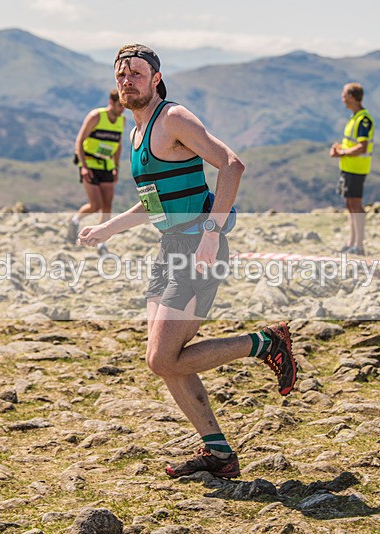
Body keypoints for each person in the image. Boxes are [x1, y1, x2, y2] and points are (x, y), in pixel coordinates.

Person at [77, 44, 297, 479]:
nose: (127, 81)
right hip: (169, 249)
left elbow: (232, 165)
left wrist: (213, 235)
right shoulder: (137, 132)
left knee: (161, 360)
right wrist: (107, 229)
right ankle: (219, 454)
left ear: (156, 78)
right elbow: (154, 204)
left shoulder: (173, 118)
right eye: (121, 74)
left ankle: (266, 343)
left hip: (198, 250)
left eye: (137, 73)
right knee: (166, 358)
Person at [68, 89, 126, 255]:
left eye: (123, 106)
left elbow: (118, 144)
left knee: (107, 205)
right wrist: (84, 166)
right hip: (90, 164)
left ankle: (101, 243)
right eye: (119, 105)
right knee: (96, 205)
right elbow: (80, 141)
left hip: (107, 166)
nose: (121, 109)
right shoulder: (96, 116)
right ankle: (75, 220)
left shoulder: (122, 120)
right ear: (111, 102)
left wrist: (116, 167)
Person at [330, 82, 374, 256]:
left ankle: (359, 245)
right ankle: (352, 242)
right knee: (350, 205)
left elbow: (362, 147)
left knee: (356, 205)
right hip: (348, 167)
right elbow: (353, 143)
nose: (342, 99)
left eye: (344, 95)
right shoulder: (354, 118)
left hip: (357, 168)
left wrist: (342, 152)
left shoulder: (363, 119)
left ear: (352, 97)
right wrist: (340, 148)